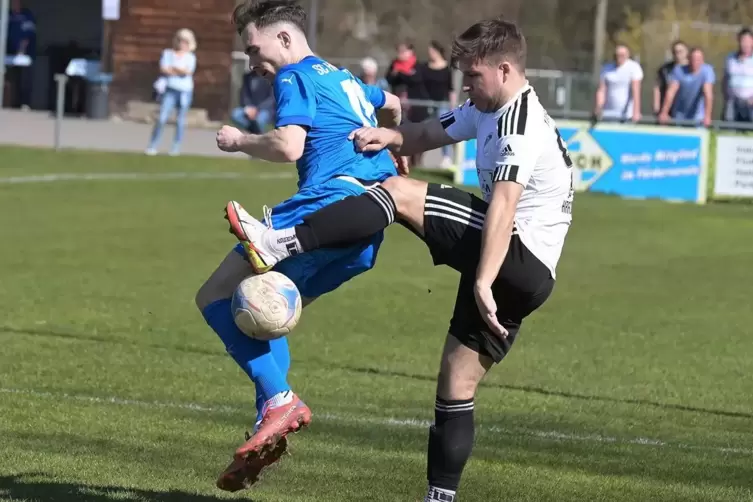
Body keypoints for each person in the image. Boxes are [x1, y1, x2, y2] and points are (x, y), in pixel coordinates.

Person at [226, 18, 573, 502]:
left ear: (505, 69)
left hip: (514, 255)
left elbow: (505, 207)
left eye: (473, 76)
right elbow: (428, 132)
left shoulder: (520, 123)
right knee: (456, 384)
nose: (466, 86)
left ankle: (282, 243)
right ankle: (440, 498)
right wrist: (387, 138)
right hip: (526, 276)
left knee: (395, 191)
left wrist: (482, 281)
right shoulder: (486, 106)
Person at [196, 0, 402, 492]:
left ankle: (278, 400)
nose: (252, 63)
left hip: (323, 209)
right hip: (368, 226)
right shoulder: (347, 78)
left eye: (254, 49)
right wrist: (396, 146)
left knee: (215, 296)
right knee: (267, 308)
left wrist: (239, 140)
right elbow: (391, 103)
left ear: (284, 39)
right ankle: (271, 412)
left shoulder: (293, 76)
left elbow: (289, 145)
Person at [146, 29, 198, 156]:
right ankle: (152, 145)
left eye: (185, 42)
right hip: (170, 90)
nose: (182, 44)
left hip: (185, 91)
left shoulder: (191, 57)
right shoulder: (168, 53)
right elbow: (164, 69)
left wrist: (174, 69)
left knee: (180, 121)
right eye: (180, 41)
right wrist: (177, 70)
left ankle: (176, 147)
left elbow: (187, 72)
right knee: (162, 118)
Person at [658, 47, 715, 127]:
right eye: (693, 59)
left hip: (698, 115)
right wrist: (664, 112)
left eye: (698, 59)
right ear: (688, 59)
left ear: (702, 60)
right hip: (679, 113)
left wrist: (707, 116)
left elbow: (708, 94)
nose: (695, 62)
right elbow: (671, 92)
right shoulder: (678, 70)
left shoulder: (707, 71)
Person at [593, 44, 643, 123]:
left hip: (627, 115)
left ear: (627, 55)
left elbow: (635, 90)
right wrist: (598, 108)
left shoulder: (634, 67)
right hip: (608, 114)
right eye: (617, 55)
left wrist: (636, 111)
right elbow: (601, 90)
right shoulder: (606, 69)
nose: (619, 57)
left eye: (622, 55)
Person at [6, 0, 36, 110]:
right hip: (9, 54)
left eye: (16, 2)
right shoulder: (8, 14)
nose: (14, 4)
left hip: (25, 55)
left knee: (25, 79)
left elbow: (28, 36)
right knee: (10, 78)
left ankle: (25, 103)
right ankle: (9, 102)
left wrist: (21, 50)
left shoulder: (27, 15)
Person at [230, 70, 275, 134]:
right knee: (235, 114)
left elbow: (272, 99)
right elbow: (244, 95)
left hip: (265, 110)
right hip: (250, 108)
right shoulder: (247, 77)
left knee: (259, 120)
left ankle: (258, 137)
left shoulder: (270, 77)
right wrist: (248, 108)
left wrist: (257, 109)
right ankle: (253, 131)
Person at [654, 40, 688, 117]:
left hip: (685, 109)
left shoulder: (692, 69)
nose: (678, 55)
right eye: (675, 52)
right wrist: (656, 106)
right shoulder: (665, 69)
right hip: (666, 108)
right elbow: (657, 88)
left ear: (686, 52)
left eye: (680, 51)